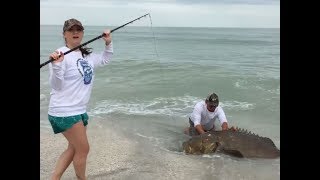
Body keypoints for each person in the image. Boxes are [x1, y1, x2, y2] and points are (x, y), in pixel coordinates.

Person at [47, 18, 113, 180]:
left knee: (74, 148)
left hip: (78, 110)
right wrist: (56, 66)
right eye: (71, 30)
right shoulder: (60, 55)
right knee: (83, 150)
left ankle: (54, 178)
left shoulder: (86, 55)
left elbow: (105, 59)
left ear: (82, 33)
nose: (75, 32)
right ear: (64, 34)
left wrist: (108, 43)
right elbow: (56, 85)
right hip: (64, 111)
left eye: (78, 29)